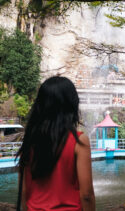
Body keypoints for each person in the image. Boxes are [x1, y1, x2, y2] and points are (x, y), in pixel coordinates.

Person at [16, 76, 95, 211]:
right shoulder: (79, 141)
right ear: (72, 104)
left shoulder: (30, 140)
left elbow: (23, 191)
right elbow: (86, 194)